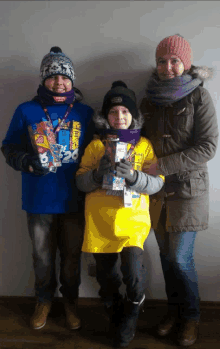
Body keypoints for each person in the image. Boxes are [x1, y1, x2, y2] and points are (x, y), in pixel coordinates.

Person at [1, 47, 94, 330]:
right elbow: (9, 148)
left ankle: (70, 303)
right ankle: (43, 300)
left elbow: (97, 151)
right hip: (38, 198)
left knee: (71, 257)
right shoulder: (26, 110)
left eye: (64, 77)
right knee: (42, 256)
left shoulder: (84, 112)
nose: (59, 82)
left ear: (72, 80)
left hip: (75, 198)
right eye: (52, 76)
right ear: (43, 80)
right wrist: (28, 162)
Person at [140, 34, 219, 347]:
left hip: (188, 189)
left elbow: (208, 146)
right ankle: (173, 312)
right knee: (164, 255)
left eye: (174, 61)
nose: (168, 67)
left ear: (185, 63)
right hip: (155, 190)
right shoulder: (147, 99)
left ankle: (191, 317)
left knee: (179, 257)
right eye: (162, 61)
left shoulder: (200, 97)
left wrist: (163, 165)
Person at [76, 81, 165, 347]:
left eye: (125, 112)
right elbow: (80, 182)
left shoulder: (144, 146)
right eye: (113, 112)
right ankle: (116, 314)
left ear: (133, 116)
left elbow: (157, 183)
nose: (119, 117)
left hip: (133, 223)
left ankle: (133, 311)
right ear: (106, 117)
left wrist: (135, 177)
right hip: (99, 222)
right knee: (106, 277)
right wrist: (97, 174)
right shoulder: (95, 147)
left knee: (133, 274)